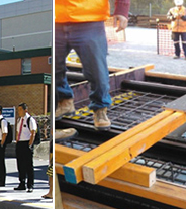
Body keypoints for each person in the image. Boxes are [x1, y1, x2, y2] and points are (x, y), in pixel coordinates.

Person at [55, 0, 130, 131]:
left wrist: (122, 9)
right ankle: (65, 101)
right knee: (52, 67)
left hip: (89, 20)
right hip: (55, 19)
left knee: (96, 71)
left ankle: (100, 108)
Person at [14, 103, 37, 192]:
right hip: (20, 143)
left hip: (26, 143)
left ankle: (30, 185)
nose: (18, 112)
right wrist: (17, 141)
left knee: (28, 165)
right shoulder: (20, 120)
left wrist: (29, 144)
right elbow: (17, 131)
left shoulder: (30, 120)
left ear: (25, 110)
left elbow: (33, 132)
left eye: (20, 110)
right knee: (20, 164)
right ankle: (22, 183)